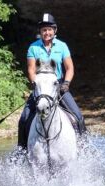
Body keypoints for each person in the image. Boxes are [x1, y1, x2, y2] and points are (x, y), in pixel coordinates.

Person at [18, 13, 86, 149]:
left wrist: (66, 83)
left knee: (78, 117)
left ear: (54, 30)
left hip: (58, 85)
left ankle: (84, 147)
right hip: (41, 86)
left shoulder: (62, 46)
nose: (46, 32)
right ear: (40, 32)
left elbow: (69, 68)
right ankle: (21, 152)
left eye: (49, 29)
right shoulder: (33, 48)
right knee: (24, 119)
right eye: (44, 30)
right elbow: (31, 70)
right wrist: (35, 84)